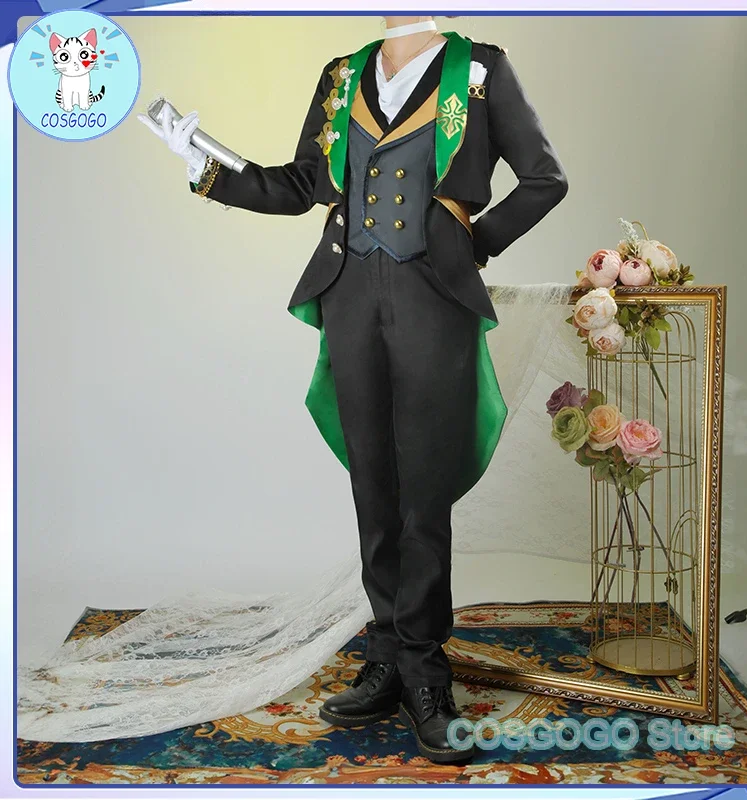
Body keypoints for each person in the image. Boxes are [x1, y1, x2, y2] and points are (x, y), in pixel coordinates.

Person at [139, 15, 567, 764]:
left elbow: (545, 179)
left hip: (433, 298)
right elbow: (302, 185)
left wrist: (471, 242)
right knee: (372, 478)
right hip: (348, 292)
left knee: (423, 487)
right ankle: (389, 655)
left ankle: (425, 671)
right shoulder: (342, 74)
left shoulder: (481, 69)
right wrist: (204, 166)